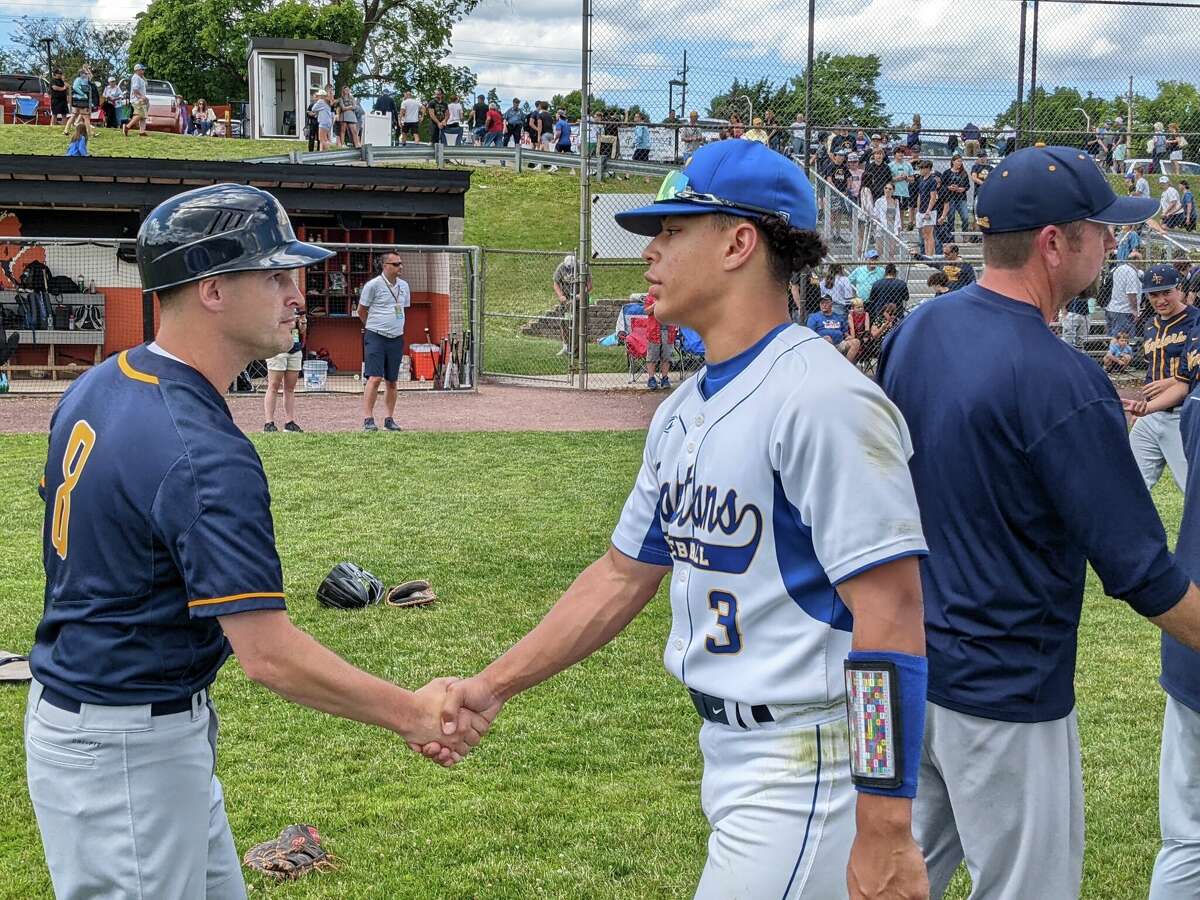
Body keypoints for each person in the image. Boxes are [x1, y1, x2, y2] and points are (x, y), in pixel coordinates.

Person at [419, 138, 931, 899]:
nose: (650, 252)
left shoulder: (822, 400)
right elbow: (622, 576)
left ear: (738, 242)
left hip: (809, 764)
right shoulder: (683, 410)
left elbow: (892, 613)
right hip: (733, 753)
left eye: (671, 230)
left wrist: (885, 826)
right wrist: (494, 685)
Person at [23, 184, 485, 900]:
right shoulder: (201, 448)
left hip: (114, 721)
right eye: (273, 276)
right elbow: (268, 656)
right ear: (212, 290)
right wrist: (415, 712)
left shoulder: (101, 384)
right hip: (122, 747)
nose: (295, 293)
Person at [877, 145, 1200, 900]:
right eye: (1101, 228)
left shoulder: (921, 331)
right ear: (1055, 243)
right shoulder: (1064, 379)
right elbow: (1142, 574)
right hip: (1007, 693)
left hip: (909, 665)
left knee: (894, 881)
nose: (1114, 242)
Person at [1127, 264, 1200, 492]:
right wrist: (1145, 408)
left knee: (1192, 488)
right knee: (1131, 485)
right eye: (1154, 294)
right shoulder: (1151, 325)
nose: (1160, 300)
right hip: (1152, 415)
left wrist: (1149, 406)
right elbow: (1153, 374)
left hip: (1180, 416)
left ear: (1179, 289)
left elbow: (1186, 380)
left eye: (1166, 292)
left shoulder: (1194, 321)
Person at [358, 250, 409, 432]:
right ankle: (368, 419)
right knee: (375, 377)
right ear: (385, 266)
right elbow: (361, 311)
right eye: (396, 264)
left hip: (396, 338)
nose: (400, 267)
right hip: (376, 336)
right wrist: (372, 327)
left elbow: (403, 309)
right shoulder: (373, 285)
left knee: (392, 381)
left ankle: (389, 419)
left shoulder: (404, 286)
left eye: (400, 263)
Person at [263, 306, 307, 433]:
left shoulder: (297, 307)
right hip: (277, 349)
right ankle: (269, 423)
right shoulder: (275, 305)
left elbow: (302, 331)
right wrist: (291, 322)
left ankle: (289, 422)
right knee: (274, 386)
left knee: (290, 388)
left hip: (295, 349)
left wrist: (302, 320)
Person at [807, 295, 861, 361]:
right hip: (821, 345)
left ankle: (846, 366)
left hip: (839, 344)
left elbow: (845, 333)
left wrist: (849, 337)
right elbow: (809, 334)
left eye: (826, 303)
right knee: (828, 339)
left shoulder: (838, 317)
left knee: (856, 342)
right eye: (822, 303)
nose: (824, 305)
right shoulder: (814, 317)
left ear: (831, 304)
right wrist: (821, 339)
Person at [1109, 250, 1143, 340]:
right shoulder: (1131, 272)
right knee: (1124, 340)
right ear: (1136, 261)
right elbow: (1131, 293)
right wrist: (1135, 311)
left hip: (1114, 307)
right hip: (1125, 311)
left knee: (1116, 339)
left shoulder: (1118, 269)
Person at [642, 291, 672, 390]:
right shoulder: (650, 297)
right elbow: (646, 311)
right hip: (654, 330)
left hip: (668, 330)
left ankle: (665, 378)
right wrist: (655, 305)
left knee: (666, 356)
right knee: (652, 356)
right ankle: (651, 379)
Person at [914, 160, 940, 256]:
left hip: (930, 210)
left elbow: (933, 196)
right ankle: (926, 255)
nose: (920, 170)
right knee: (924, 235)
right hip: (921, 210)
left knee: (929, 234)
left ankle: (930, 256)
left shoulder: (932, 180)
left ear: (928, 169)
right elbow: (920, 195)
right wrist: (918, 209)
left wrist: (928, 210)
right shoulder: (921, 179)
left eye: (922, 168)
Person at [890, 147, 915, 231]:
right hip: (893, 192)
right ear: (894, 155)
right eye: (898, 152)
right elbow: (888, 179)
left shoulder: (907, 165)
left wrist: (906, 178)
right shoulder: (890, 165)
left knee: (901, 212)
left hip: (904, 192)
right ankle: (892, 230)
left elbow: (912, 180)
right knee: (892, 213)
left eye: (902, 153)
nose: (901, 154)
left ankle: (900, 230)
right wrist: (898, 178)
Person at [67, 67, 93, 139]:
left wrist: (88, 70)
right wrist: (82, 94)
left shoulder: (84, 80)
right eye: (85, 73)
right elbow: (75, 87)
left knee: (75, 115)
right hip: (79, 100)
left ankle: (66, 130)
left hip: (81, 100)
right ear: (81, 74)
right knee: (86, 116)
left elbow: (90, 77)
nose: (86, 74)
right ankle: (89, 133)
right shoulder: (78, 80)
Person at [123, 63, 148, 137]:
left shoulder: (140, 77)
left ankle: (142, 131)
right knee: (139, 114)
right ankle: (127, 127)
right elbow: (135, 90)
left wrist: (143, 76)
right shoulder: (136, 77)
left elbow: (145, 84)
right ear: (137, 70)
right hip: (137, 100)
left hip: (140, 99)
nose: (143, 71)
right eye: (142, 69)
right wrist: (141, 97)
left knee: (143, 116)